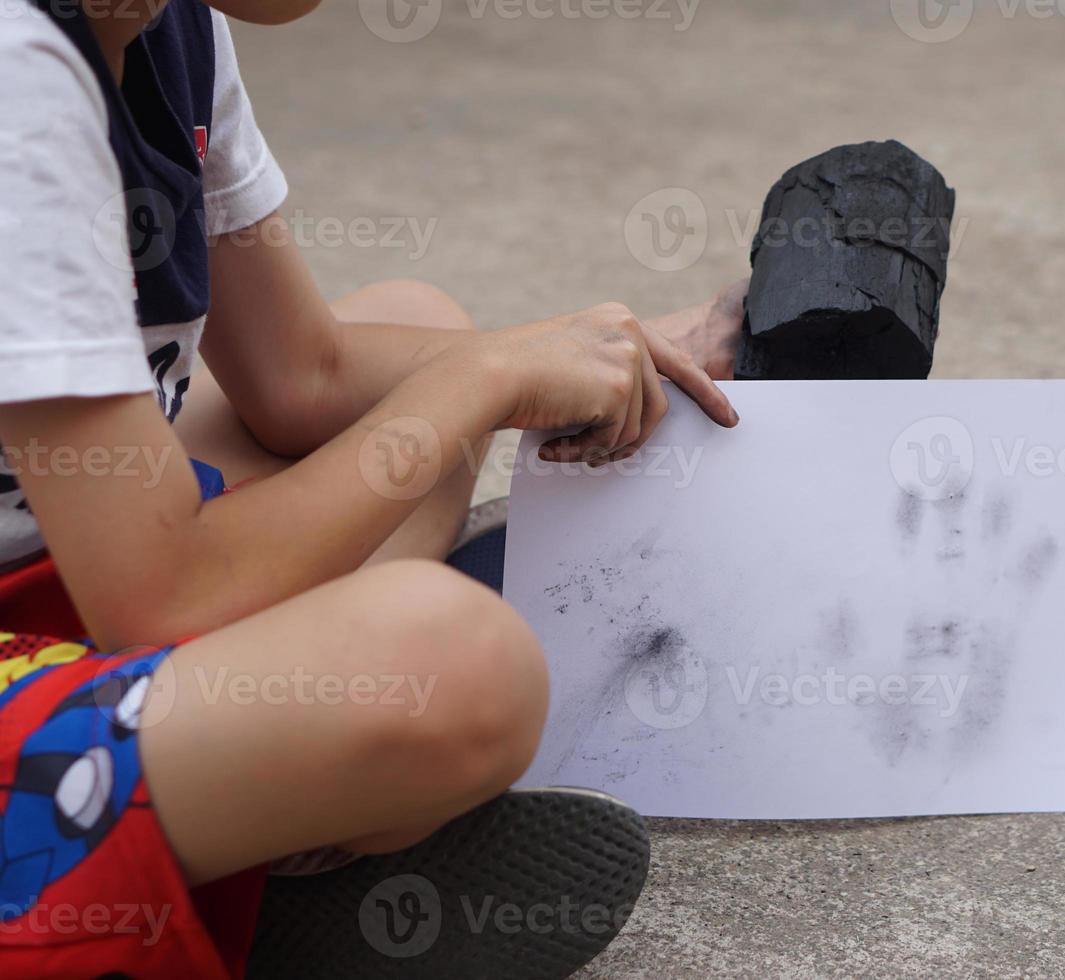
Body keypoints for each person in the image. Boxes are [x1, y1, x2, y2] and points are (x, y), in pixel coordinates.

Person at [0, 0, 745, 975]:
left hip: (69, 557)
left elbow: (300, 376)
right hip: (113, 582)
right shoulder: (18, 74)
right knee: (454, 661)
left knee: (413, 321)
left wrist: (597, 351)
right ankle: (194, 860)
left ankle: (229, 816)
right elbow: (158, 597)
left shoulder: (162, 24)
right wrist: (486, 381)